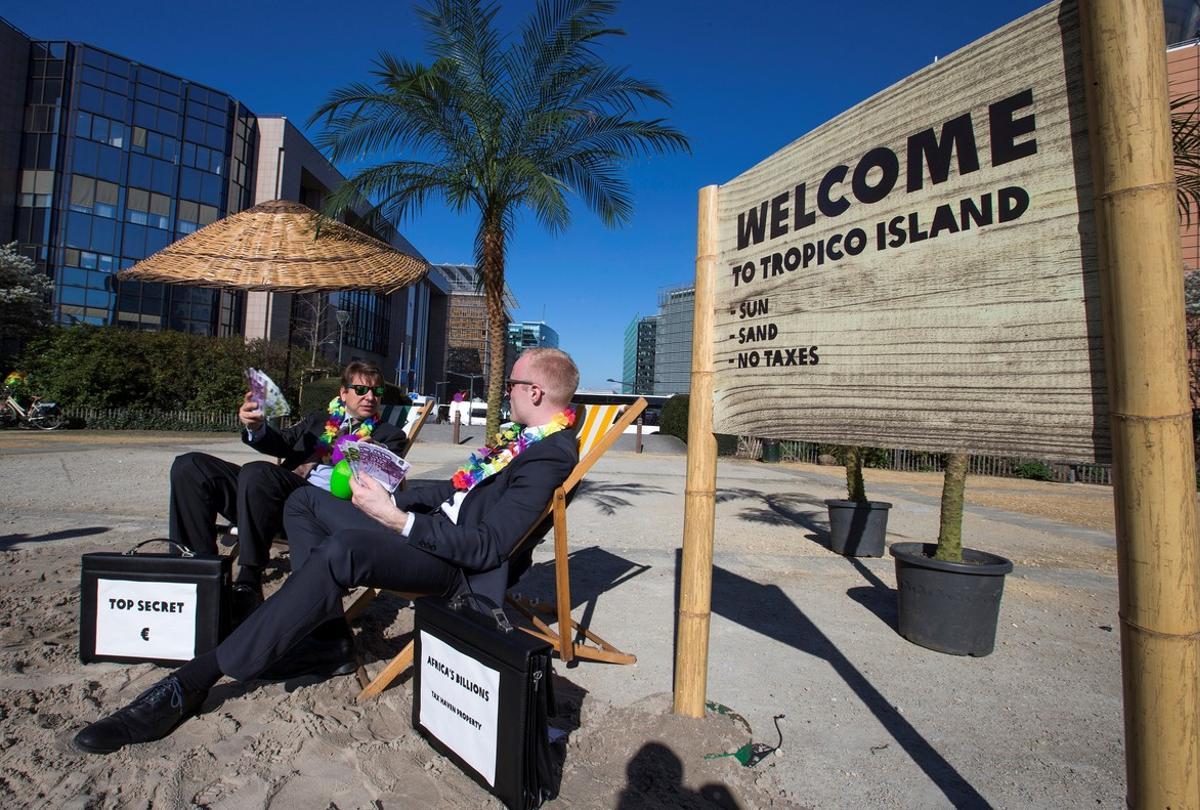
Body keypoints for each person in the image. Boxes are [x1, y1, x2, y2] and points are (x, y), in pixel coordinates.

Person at [73, 348, 581, 755]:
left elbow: (489, 544)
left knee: (342, 549)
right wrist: (396, 497)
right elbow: (456, 490)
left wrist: (394, 518)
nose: (506, 390)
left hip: (450, 567)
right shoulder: (521, 441)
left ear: (534, 391)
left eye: (512, 383)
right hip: (427, 528)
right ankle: (327, 635)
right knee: (306, 504)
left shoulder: (550, 455)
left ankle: (195, 679)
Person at [167, 361, 408, 622]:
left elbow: (392, 481)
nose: (370, 397)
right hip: (266, 498)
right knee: (189, 466)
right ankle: (197, 574)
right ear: (343, 393)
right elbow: (282, 442)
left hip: (318, 509)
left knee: (258, 473)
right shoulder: (319, 421)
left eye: (377, 392)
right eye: (361, 389)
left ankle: (249, 577)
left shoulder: (390, 434)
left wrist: (373, 455)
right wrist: (256, 427)